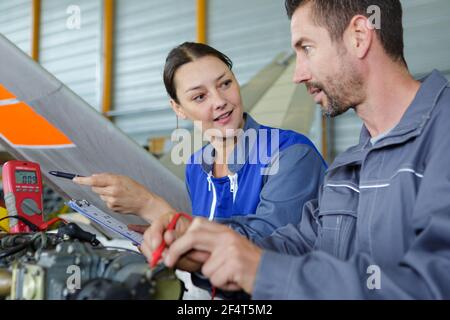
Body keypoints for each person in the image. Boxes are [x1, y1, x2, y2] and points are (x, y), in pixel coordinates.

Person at [141, 0, 450, 299]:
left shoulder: (442, 136)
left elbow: (432, 286)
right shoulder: (351, 167)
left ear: (358, 36)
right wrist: (206, 247)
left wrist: (263, 271)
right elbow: (301, 241)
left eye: (307, 48)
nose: (298, 74)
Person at [74, 42, 327, 240]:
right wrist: (171, 238)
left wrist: (152, 207)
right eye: (199, 97)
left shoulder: (292, 155)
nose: (219, 101)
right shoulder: (196, 168)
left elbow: (266, 249)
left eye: (225, 83)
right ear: (178, 109)